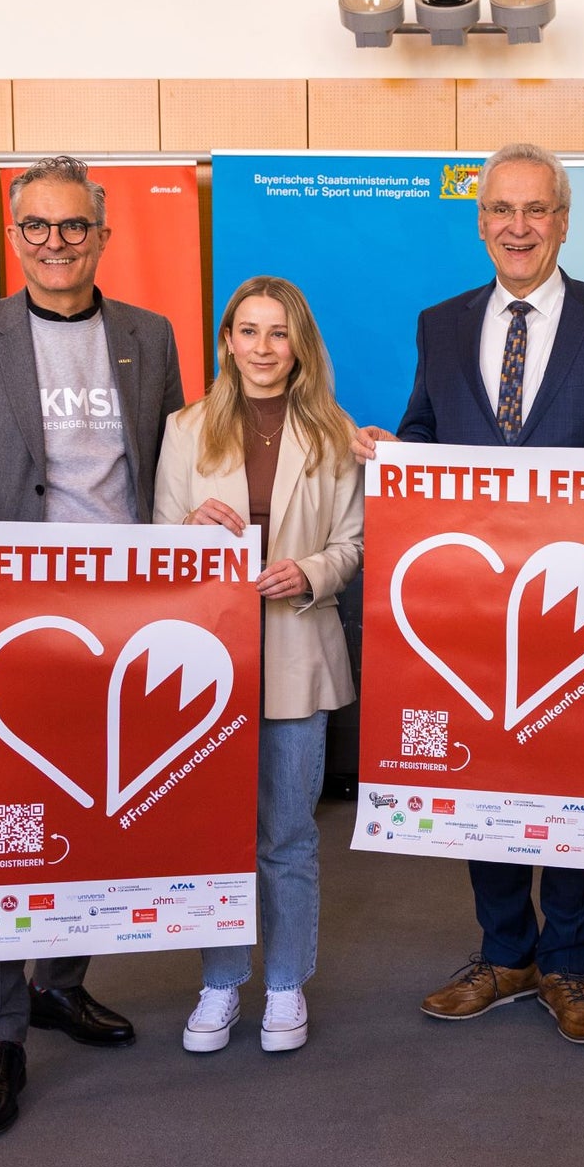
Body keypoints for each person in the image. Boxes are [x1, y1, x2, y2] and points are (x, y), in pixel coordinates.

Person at [0, 155, 186, 1138]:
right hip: (10, 608)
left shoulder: (151, 335)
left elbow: (175, 460)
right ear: (14, 236)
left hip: (130, 609)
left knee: (98, 796)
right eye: (37, 227)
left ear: (103, 235)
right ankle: (1, 1026)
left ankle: (63, 980)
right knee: (2, 811)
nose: (55, 243)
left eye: (74, 227)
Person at [353, 141, 584, 1045]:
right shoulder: (440, 324)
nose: (518, 227)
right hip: (470, 601)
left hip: (577, 597)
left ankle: (568, 966)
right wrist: (397, 453)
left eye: (536, 211)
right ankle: (504, 952)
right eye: (501, 211)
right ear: (481, 220)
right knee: (482, 766)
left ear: (563, 222)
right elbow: (426, 432)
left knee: (574, 768)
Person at [152, 276, 362, 1055]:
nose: (263, 348)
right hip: (208, 665)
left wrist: (310, 572)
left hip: (298, 654)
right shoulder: (185, 429)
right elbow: (156, 539)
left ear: (298, 344)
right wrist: (186, 530)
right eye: (248, 331)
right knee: (216, 833)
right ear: (226, 342)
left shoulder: (334, 435)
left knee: (286, 835)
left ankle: (283, 987)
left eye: (278, 333)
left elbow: (353, 545)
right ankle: (219, 981)